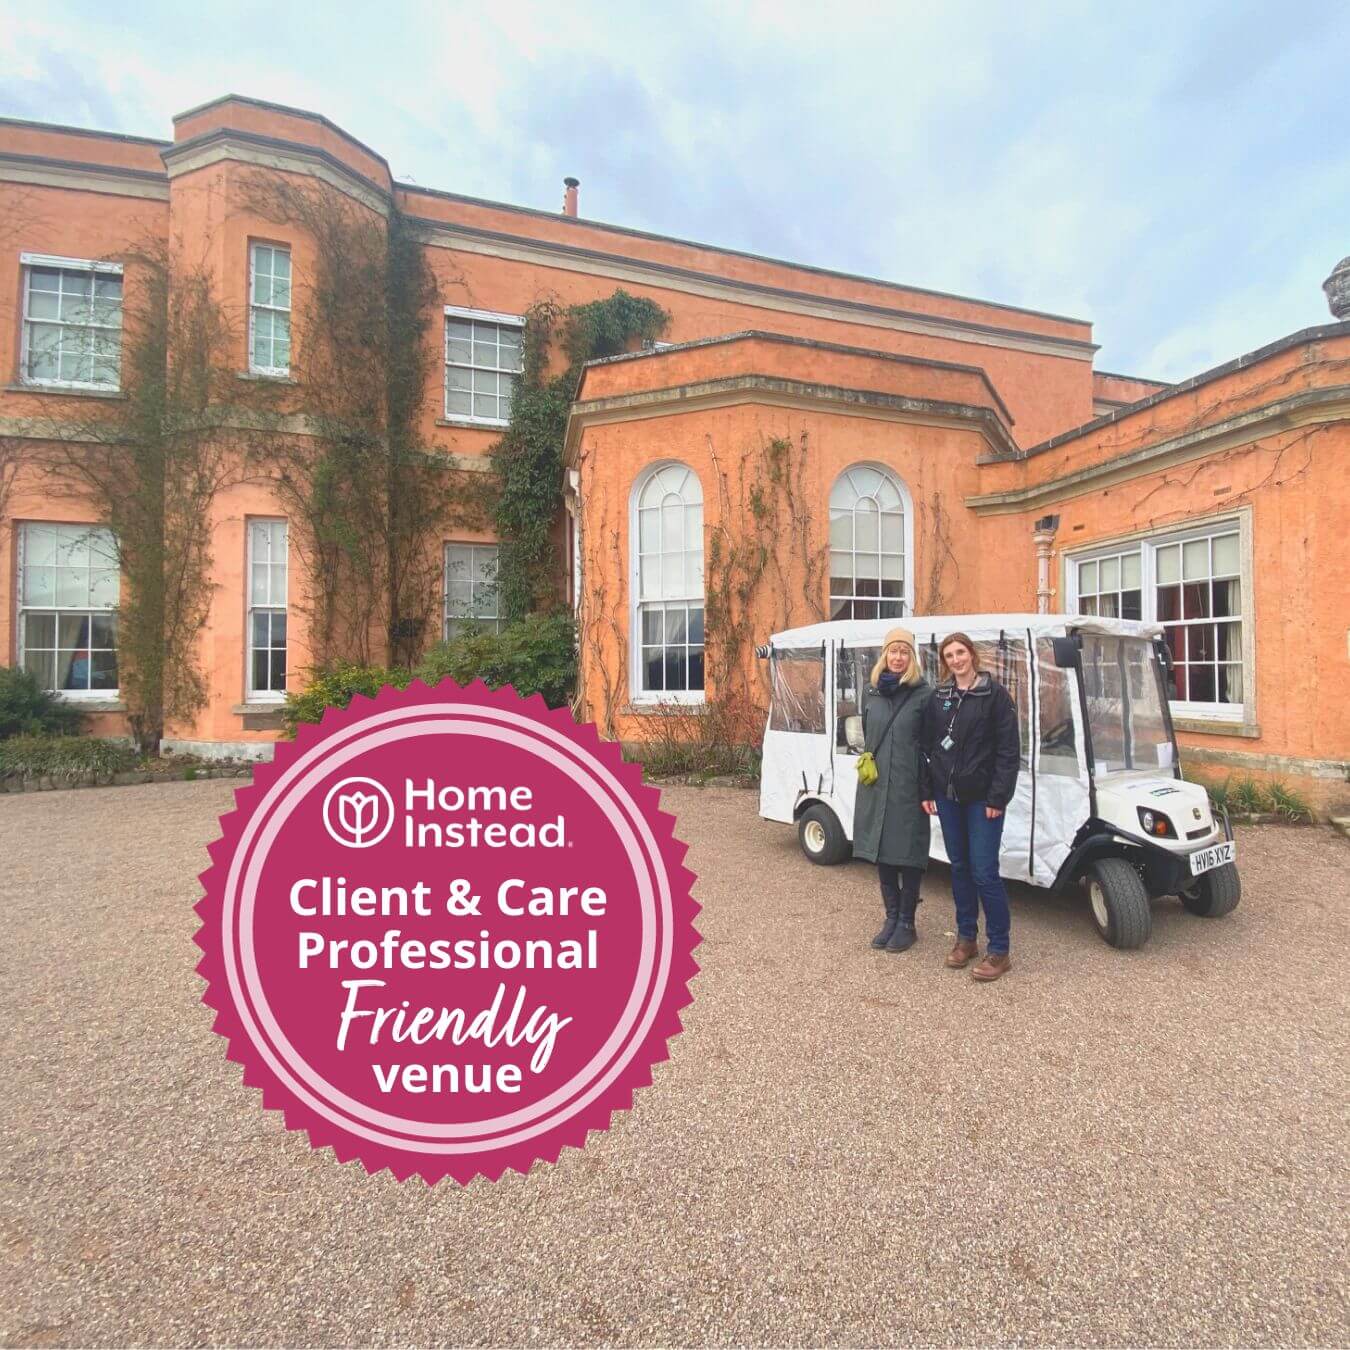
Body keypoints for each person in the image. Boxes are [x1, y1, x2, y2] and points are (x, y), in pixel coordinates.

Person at [921, 632, 1020, 982]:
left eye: (960, 652)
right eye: (949, 655)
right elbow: (929, 747)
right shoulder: (940, 697)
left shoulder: (994, 696)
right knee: (959, 867)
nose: (956, 659)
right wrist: (928, 790)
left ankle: (999, 949)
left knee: (984, 872)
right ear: (945, 662)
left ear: (972, 655)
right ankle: (966, 938)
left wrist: (998, 797)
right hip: (947, 798)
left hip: (982, 801)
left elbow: (1009, 752)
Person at [851, 627, 932, 954]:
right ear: (885, 655)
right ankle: (891, 917)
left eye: (904, 652)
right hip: (876, 782)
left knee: (908, 854)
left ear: (912, 657)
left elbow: (930, 746)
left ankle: (907, 923)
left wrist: (927, 788)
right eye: (893, 651)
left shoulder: (924, 695)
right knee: (881, 851)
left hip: (907, 784)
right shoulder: (871, 692)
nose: (898, 657)